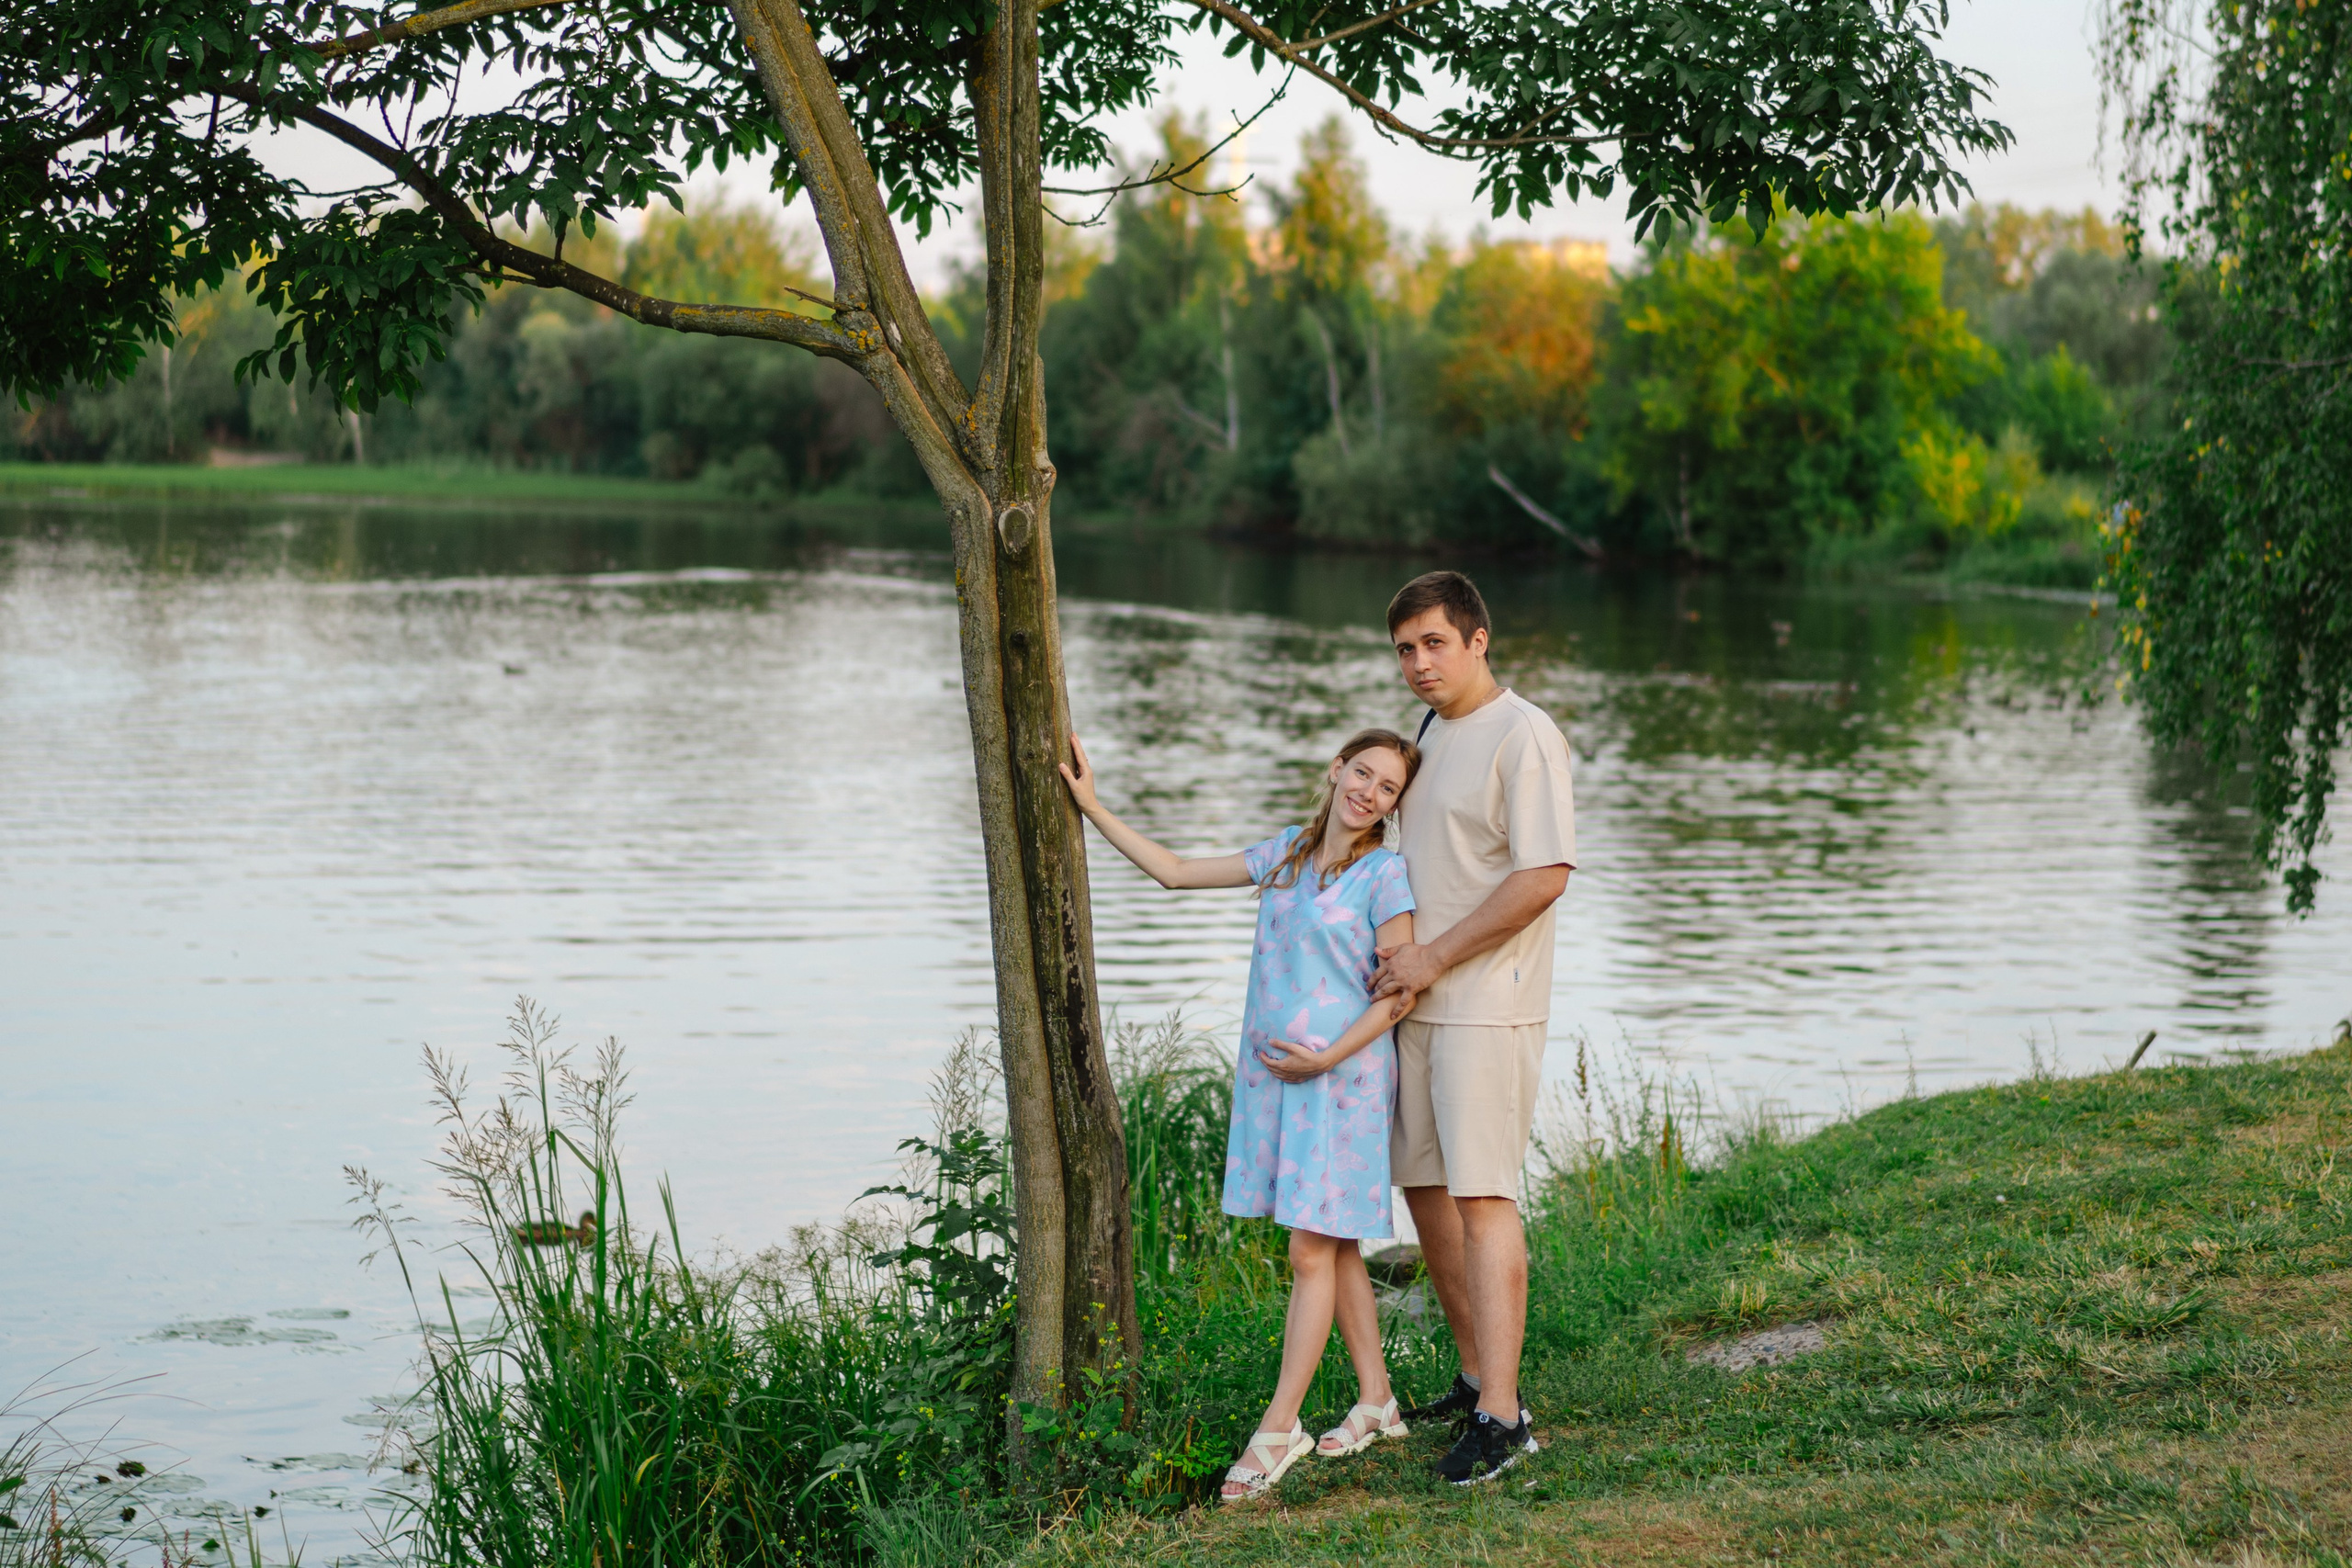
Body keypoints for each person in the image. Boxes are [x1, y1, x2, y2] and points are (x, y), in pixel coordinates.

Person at [1059, 728, 1423, 1503]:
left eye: (1387, 786)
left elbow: (1399, 993)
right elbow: (1177, 873)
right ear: (1336, 769)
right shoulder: (1289, 852)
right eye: (1362, 771)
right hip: (1279, 1084)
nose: (1368, 791)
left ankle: (1278, 1427)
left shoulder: (1387, 875)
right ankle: (1377, 1399)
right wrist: (1092, 806)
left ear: (1394, 803)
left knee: (1307, 1248)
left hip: (1344, 1083)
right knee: (1333, 1241)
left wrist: (1326, 1058)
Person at [1371, 570, 1577, 1485]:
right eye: (1405, 649)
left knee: (1482, 1198)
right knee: (1423, 1189)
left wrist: (1434, 957)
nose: (1418, 663)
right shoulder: (1429, 730)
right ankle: (1472, 1373)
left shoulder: (1522, 736)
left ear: (1478, 639)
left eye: (1433, 644)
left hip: (1485, 1005)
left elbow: (1541, 877)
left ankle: (1505, 1417)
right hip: (1418, 1002)